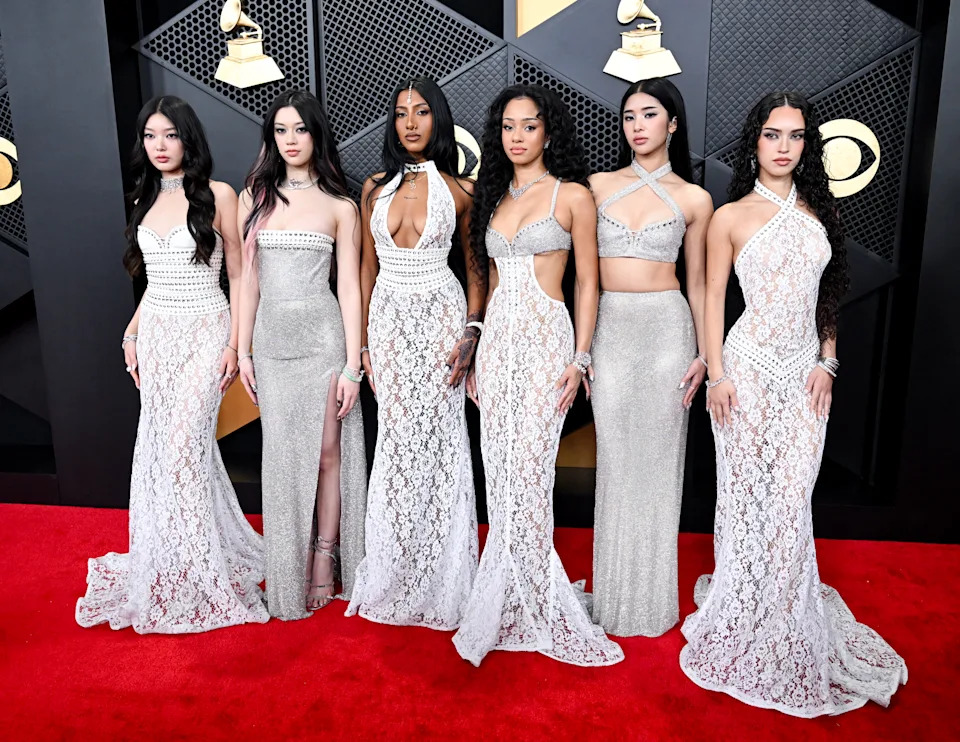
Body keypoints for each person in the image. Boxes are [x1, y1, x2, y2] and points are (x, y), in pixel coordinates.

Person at [679, 91, 907, 716]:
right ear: (754, 140)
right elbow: (711, 298)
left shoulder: (818, 212)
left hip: (805, 375)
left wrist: (827, 359)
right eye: (773, 134)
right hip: (746, 371)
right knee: (747, 492)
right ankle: (748, 607)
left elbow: (827, 291)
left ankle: (785, 611)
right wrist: (718, 375)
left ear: (808, 145)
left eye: (797, 136)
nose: (784, 146)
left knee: (790, 495)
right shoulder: (730, 216)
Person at [76, 96, 269, 633]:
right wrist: (131, 333)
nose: (160, 146)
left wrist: (236, 345)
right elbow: (154, 284)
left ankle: (194, 568)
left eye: (169, 136)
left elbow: (240, 275)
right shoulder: (142, 197)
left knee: (185, 444)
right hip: (158, 336)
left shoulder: (219, 195)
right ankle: (175, 555)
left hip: (207, 332)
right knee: (167, 447)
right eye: (150, 137)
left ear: (188, 139)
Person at [452, 84, 623, 667]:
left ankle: (533, 598)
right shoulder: (491, 196)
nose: (518, 136)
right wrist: (476, 348)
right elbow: (492, 284)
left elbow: (586, 283)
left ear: (549, 131)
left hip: (548, 342)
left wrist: (580, 358)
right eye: (507, 126)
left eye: (529, 125)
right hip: (499, 344)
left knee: (530, 472)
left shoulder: (573, 195)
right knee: (500, 476)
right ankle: (506, 595)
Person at [346, 76, 486, 629]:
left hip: (439, 319)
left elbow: (476, 267)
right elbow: (364, 268)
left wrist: (472, 330)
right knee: (397, 442)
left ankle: (441, 572)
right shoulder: (373, 188)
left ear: (438, 119)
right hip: (388, 320)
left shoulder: (461, 191)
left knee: (442, 444)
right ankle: (394, 568)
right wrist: (360, 342)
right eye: (402, 113)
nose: (410, 122)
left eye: (422, 112)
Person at [589, 78, 713, 638]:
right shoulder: (594, 187)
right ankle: (614, 597)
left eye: (650, 114)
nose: (637, 125)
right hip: (611, 331)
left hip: (668, 333)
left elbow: (702, 283)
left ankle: (651, 602)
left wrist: (706, 355)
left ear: (673, 123)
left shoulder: (694, 199)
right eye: (629, 116)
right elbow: (582, 278)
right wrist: (581, 347)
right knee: (616, 463)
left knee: (659, 468)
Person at [236, 90, 366, 619]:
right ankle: (286, 562)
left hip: (323, 342)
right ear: (272, 137)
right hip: (271, 345)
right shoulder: (254, 198)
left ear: (316, 136)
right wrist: (242, 350)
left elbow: (353, 288)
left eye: (300, 130)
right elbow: (246, 282)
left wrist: (354, 364)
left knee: (328, 453)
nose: (290, 140)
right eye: (281, 130)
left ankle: (324, 558)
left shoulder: (341, 206)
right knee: (281, 457)